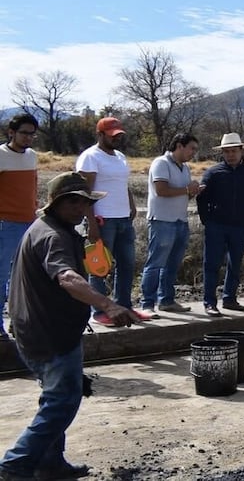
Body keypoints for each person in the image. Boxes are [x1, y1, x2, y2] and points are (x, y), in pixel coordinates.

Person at [0, 172, 138, 480]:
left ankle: (50, 462)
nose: (80, 208)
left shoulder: (54, 229)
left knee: (54, 397)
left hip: (38, 328)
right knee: (62, 402)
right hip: (49, 334)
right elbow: (67, 278)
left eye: (85, 202)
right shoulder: (53, 237)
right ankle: (15, 462)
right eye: (73, 202)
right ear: (56, 204)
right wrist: (108, 304)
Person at [76, 117, 152, 325]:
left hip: (123, 219)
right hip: (102, 219)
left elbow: (122, 183)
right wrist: (91, 222)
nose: (116, 139)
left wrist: (131, 205)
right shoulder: (90, 157)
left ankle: (124, 307)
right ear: (100, 135)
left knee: (127, 264)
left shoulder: (120, 156)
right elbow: (85, 192)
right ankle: (100, 311)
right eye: (112, 136)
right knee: (98, 266)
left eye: (119, 135)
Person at [195, 133, 244, 317]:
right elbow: (201, 198)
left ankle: (230, 299)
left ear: (241, 151)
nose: (230, 155)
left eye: (233, 151)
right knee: (211, 264)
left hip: (241, 226)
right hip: (216, 225)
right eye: (226, 152)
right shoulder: (213, 173)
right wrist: (206, 220)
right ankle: (210, 302)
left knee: (235, 264)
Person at [139, 133, 201, 314]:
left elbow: (184, 194)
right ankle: (147, 305)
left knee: (172, 264)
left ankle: (166, 300)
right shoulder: (161, 163)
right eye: (192, 148)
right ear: (179, 146)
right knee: (155, 263)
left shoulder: (185, 168)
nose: (193, 153)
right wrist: (187, 189)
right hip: (162, 221)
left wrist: (194, 191)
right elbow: (161, 190)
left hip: (180, 220)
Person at [0, 113, 39, 338]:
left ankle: (20, 323)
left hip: (29, 223)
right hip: (6, 224)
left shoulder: (32, 156)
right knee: (1, 277)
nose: (28, 138)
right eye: (24, 133)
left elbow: (33, 187)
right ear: (11, 133)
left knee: (25, 277)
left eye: (32, 134)